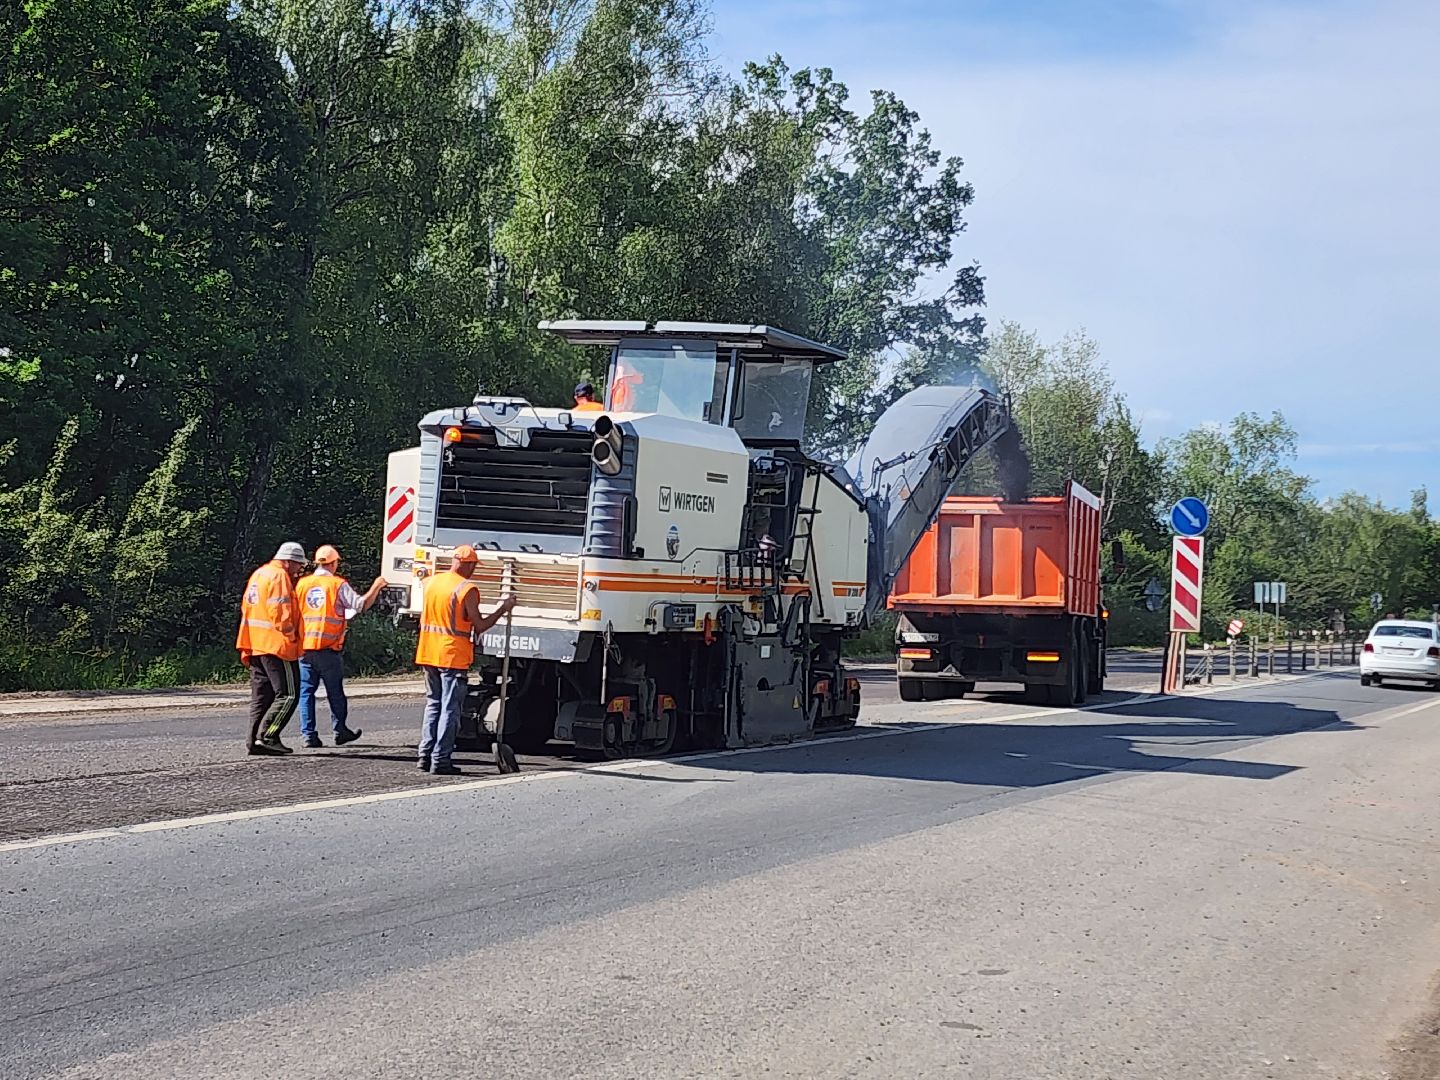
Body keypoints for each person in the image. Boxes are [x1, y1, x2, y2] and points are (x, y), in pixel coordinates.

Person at [414, 544, 517, 775]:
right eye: (473, 566)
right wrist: (504, 608)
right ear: (467, 564)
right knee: (450, 709)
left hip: (428, 653)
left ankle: (425, 755)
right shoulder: (466, 589)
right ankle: (440, 759)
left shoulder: (431, 582)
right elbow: (480, 626)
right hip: (451, 656)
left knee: (433, 704)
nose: (473, 571)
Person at [294, 544, 388, 748]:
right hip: (328, 649)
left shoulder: (302, 584)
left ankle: (308, 735)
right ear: (334, 563)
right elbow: (360, 605)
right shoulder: (337, 584)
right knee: (334, 692)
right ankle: (340, 730)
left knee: (306, 693)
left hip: (304, 648)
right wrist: (376, 586)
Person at [236, 542, 307, 755]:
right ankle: (267, 736)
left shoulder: (259, 574)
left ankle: (253, 741)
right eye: (297, 565)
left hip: (255, 643)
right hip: (276, 645)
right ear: (288, 561)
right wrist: (291, 635)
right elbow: (280, 610)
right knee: (289, 694)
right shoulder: (279, 576)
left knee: (262, 696)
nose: (298, 570)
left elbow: (246, 606)